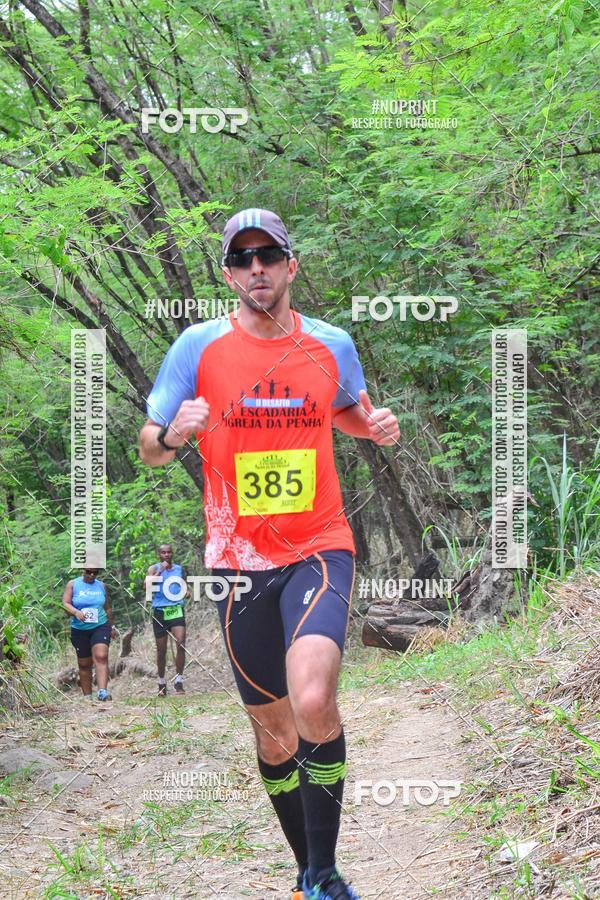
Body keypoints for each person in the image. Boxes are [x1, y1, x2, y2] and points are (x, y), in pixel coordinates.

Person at [139, 208, 399, 900]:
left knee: (313, 697)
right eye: (242, 258)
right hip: (237, 561)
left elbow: (345, 409)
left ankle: (325, 875)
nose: (256, 268)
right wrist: (173, 434)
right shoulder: (196, 348)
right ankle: (308, 869)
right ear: (229, 273)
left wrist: (373, 426)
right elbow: (149, 447)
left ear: (290, 266)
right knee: (276, 734)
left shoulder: (331, 343)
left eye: (268, 256)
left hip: (319, 545)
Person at [62, 567, 117, 701]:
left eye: (95, 572)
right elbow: (65, 604)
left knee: (101, 656)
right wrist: (76, 612)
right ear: (83, 570)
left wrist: (112, 626)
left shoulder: (101, 586)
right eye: (88, 572)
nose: (91, 575)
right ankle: (88, 697)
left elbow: (107, 608)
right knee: (84, 664)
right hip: (79, 629)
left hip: (100, 626)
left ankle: (102, 692)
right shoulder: (73, 584)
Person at [144, 543, 188, 696]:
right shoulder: (153, 569)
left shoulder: (179, 569)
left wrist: (186, 592)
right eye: (163, 552)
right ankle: (162, 682)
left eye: (169, 552)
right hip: (160, 611)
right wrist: (160, 571)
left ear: (172, 553)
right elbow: (146, 586)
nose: (167, 555)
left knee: (181, 644)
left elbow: (183, 586)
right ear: (159, 554)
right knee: (161, 650)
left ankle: (179, 681)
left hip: (176, 609)